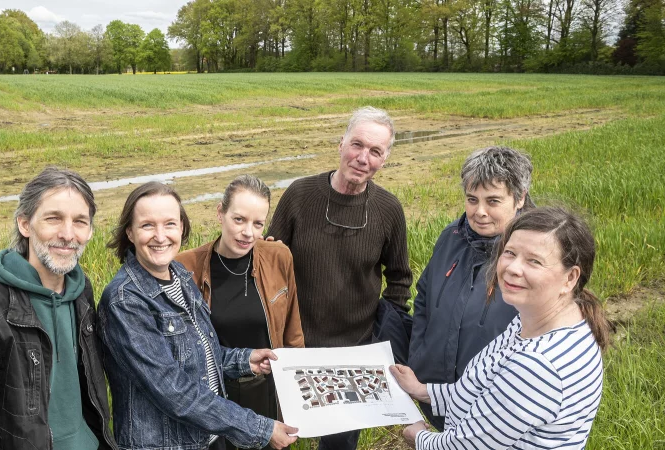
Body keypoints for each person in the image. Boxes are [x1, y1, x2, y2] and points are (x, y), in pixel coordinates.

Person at [98, 182, 298, 450]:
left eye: (170, 224)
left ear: (181, 227)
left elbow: (200, 357)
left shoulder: (179, 276)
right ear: (130, 232)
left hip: (206, 437)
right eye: (147, 225)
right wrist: (260, 428)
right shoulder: (126, 301)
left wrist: (245, 360)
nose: (160, 236)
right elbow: (175, 391)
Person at [392, 207, 609, 449]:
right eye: (510, 252)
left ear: (570, 278)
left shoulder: (536, 366)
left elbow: (463, 447)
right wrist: (424, 391)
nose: (513, 268)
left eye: (534, 261)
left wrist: (418, 436)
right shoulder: (539, 320)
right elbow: (483, 389)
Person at [0, 167, 116, 450]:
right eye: (53, 218)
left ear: (90, 231)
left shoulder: (81, 292)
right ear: (25, 224)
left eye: (80, 221)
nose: (68, 234)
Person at [268, 106, 413, 450]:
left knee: (339, 444)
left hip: (354, 353)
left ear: (384, 159)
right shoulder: (299, 195)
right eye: (357, 145)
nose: (363, 158)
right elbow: (269, 264)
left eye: (375, 151)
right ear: (341, 144)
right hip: (294, 348)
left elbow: (399, 279)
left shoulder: (389, 210)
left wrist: (379, 340)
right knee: (276, 437)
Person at [407, 146, 534, 430]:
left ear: (520, 198)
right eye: (472, 199)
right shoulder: (451, 237)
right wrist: (419, 356)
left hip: (497, 407)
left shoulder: (536, 255)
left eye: (493, 201)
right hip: (434, 393)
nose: (480, 212)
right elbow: (424, 297)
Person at [176, 175, 305, 450]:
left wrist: (295, 395)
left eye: (258, 223)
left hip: (267, 393)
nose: (248, 232)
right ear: (220, 213)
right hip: (213, 397)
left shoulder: (278, 257)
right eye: (239, 219)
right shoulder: (185, 267)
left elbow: (293, 333)